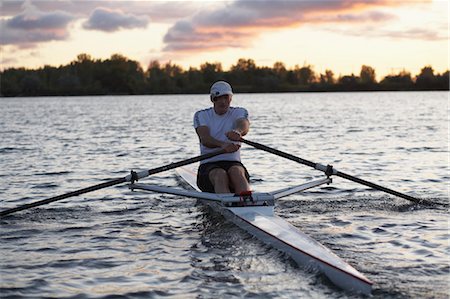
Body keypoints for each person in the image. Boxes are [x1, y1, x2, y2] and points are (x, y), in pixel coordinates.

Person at [194, 81, 251, 194]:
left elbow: (244, 124)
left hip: (233, 164)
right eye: (218, 98)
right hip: (208, 165)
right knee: (220, 174)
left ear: (230, 98)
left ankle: (247, 201)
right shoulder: (201, 115)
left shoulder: (239, 111)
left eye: (226, 98)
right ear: (212, 99)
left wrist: (237, 132)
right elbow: (205, 139)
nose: (223, 101)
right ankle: (226, 206)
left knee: (236, 172)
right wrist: (223, 145)